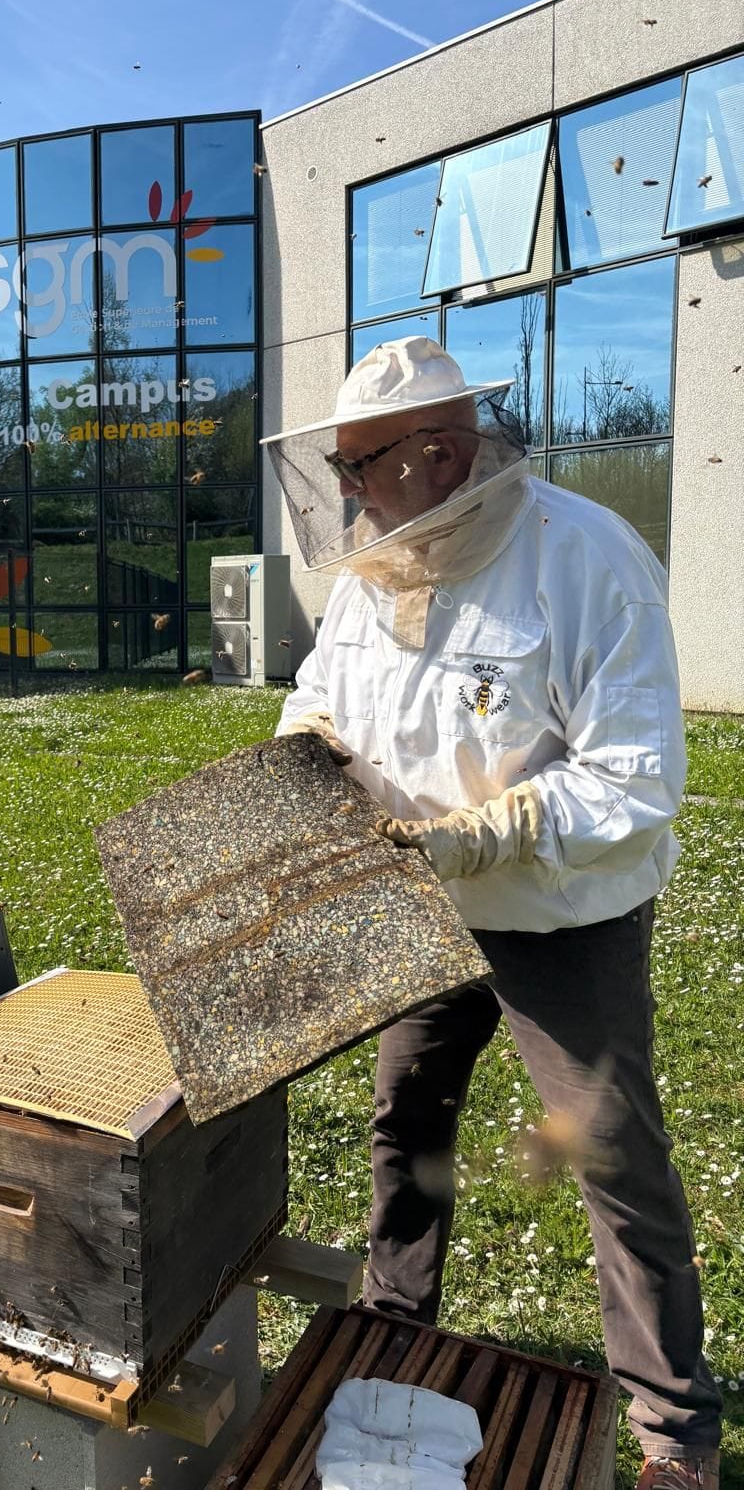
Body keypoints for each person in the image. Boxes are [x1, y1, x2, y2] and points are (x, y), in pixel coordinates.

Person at [264, 336, 721, 1490]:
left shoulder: (587, 558)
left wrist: (485, 832)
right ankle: (393, 1326)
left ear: (442, 449)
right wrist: (306, 749)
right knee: (408, 1117)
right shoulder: (376, 566)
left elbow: (635, 778)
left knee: (611, 1152)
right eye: (338, 467)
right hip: (425, 906)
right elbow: (322, 693)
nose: (348, 492)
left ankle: (674, 1432)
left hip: (563, 913)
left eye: (362, 465)